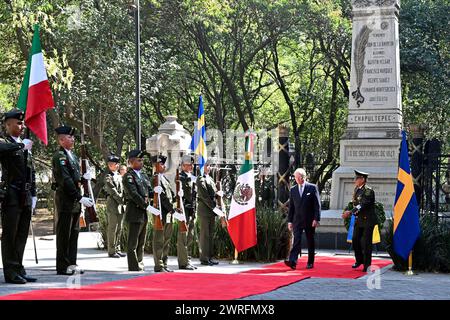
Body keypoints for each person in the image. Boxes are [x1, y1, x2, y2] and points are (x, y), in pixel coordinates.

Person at [0, 109, 37, 284]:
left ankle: (19, 267)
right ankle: (10, 270)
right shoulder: (5, 143)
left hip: (25, 195)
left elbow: (32, 171)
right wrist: (21, 146)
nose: (21, 126)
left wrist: (34, 194)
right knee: (10, 234)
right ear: (7, 125)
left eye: (22, 123)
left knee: (22, 234)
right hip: (11, 195)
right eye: (17, 123)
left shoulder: (25, 144)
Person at [52, 125, 94, 275]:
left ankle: (72, 263)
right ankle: (62, 266)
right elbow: (65, 180)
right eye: (70, 137)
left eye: (73, 137)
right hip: (66, 200)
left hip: (75, 200)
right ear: (61, 140)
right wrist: (79, 197)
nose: (73, 139)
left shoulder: (73, 156)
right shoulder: (60, 157)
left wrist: (84, 178)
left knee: (74, 233)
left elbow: (75, 178)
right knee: (64, 234)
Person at [122, 150, 152, 271]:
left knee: (141, 241)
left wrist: (155, 192)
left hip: (143, 212)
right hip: (135, 211)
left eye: (142, 160)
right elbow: (133, 194)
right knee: (133, 242)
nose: (141, 162)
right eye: (139, 160)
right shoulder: (128, 177)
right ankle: (133, 265)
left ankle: (140, 262)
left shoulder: (143, 175)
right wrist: (145, 205)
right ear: (130, 162)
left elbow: (149, 190)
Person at [285, 168, 320, 270]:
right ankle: (293, 261)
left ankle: (310, 262)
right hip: (297, 220)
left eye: (296, 177)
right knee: (297, 240)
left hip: (309, 220)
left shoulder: (312, 188)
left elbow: (317, 205)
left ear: (301, 177)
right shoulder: (293, 189)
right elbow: (291, 207)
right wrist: (290, 221)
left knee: (310, 241)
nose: (295, 178)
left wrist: (316, 219)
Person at [342, 170, 376, 272]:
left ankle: (367, 264)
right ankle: (359, 260)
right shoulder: (357, 189)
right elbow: (355, 203)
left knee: (366, 243)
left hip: (368, 220)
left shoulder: (368, 191)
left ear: (363, 179)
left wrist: (350, 212)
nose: (355, 180)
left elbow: (363, 204)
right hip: (359, 220)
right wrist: (352, 212)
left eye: (357, 178)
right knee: (355, 239)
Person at [152, 154, 176, 272]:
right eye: (161, 164)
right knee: (159, 240)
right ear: (155, 165)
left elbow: (170, 194)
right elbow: (162, 197)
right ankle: (159, 264)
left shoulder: (164, 178)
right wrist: (171, 208)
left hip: (168, 213)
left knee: (166, 239)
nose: (163, 166)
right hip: (161, 213)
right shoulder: (154, 179)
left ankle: (164, 263)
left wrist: (176, 200)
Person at [196, 160, 220, 266]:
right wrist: (214, 207)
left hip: (211, 211)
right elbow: (204, 196)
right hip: (205, 210)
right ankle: (204, 258)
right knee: (205, 235)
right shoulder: (200, 179)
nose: (209, 167)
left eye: (210, 165)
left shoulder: (210, 178)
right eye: (206, 165)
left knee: (210, 235)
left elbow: (213, 193)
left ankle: (209, 257)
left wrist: (218, 193)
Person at [177, 155, 197, 270]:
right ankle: (183, 262)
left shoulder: (192, 177)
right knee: (183, 237)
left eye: (192, 164)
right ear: (183, 165)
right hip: (184, 210)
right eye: (189, 164)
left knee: (190, 237)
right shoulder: (180, 177)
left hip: (192, 210)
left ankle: (188, 260)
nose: (191, 166)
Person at [103, 155, 125, 258]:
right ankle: (111, 251)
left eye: (113, 164)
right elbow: (112, 190)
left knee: (119, 228)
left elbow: (123, 189)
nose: (111, 165)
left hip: (120, 205)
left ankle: (117, 248)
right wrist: (121, 199)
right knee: (112, 228)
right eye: (109, 164)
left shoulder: (120, 176)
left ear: (117, 165)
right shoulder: (108, 177)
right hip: (113, 204)